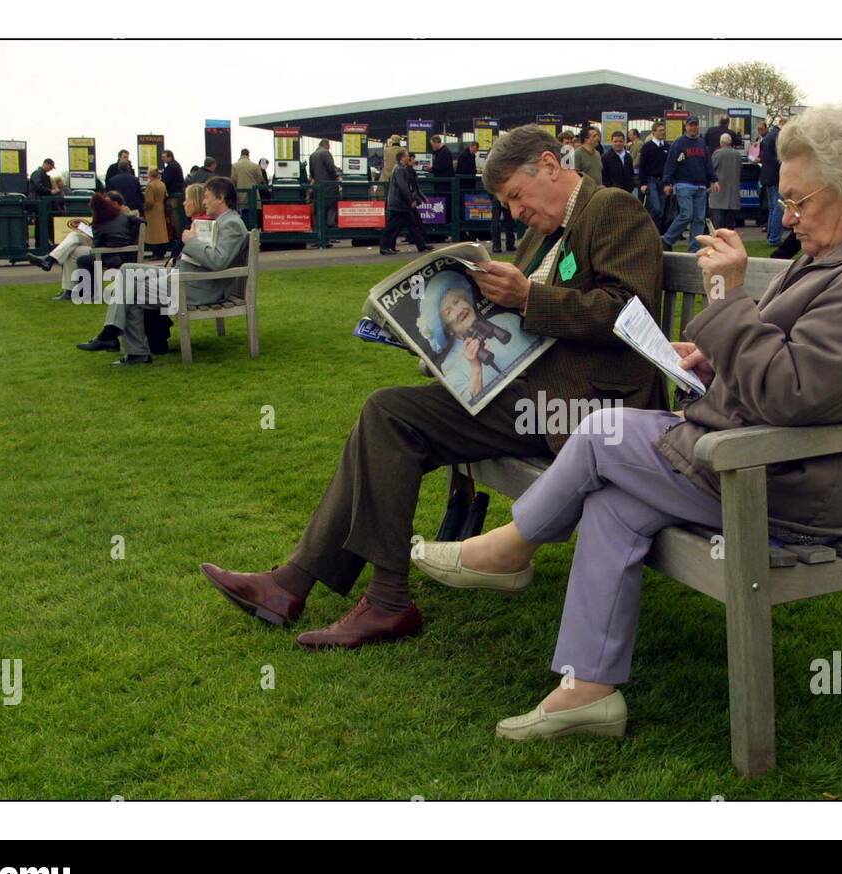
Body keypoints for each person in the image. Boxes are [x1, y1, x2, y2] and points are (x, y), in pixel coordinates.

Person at [409, 107, 842, 740]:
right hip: (758, 455)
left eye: (798, 201)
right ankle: (587, 690)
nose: (787, 216)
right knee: (616, 501)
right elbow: (797, 364)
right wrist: (716, 351)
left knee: (601, 433)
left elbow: (793, 392)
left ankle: (509, 548)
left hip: (793, 486)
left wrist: (726, 301)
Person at [199, 124, 668, 653]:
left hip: (589, 409)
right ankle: (303, 587)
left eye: (515, 195)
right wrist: (445, 348)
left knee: (390, 417)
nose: (515, 212)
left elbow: (632, 315)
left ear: (551, 166)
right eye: (506, 202)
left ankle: (367, 598)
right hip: (528, 392)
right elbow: (516, 320)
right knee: (389, 414)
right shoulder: (547, 229)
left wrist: (527, 300)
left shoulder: (611, 209)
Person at [77, 176, 248, 364]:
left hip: (197, 286)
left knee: (130, 291)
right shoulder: (223, 221)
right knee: (127, 270)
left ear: (221, 197)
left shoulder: (231, 224)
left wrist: (191, 241)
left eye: (207, 196)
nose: (204, 201)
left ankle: (128, 347)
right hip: (187, 277)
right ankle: (114, 335)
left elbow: (218, 261)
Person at [416, 271, 526, 402]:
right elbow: (473, 404)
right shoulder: (450, 365)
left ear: (466, 300)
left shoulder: (506, 320)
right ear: (447, 329)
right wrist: (475, 368)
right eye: (448, 312)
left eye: (456, 301)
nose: (459, 311)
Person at [661, 116, 720, 252]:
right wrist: (667, 182)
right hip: (684, 184)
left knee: (699, 218)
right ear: (686, 126)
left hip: (700, 186)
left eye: (695, 125)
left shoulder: (701, 143)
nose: (693, 128)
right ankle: (667, 239)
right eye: (691, 125)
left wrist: (714, 180)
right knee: (686, 214)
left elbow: (708, 164)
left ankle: (694, 248)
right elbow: (671, 163)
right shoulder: (679, 143)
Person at [379, 150, 432, 255]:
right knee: (394, 226)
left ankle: (421, 245)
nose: (409, 158)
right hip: (399, 203)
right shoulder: (399, 170)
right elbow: (403, 186)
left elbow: (408, 187)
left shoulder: (400, 168)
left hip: (400, 203)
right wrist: (411, 200)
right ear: (402, 158)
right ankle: (384, 247)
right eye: (407, 156)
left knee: (411, 224)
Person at [636, 120, 669, 227]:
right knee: (656, 208)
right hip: (651, 180)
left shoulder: (667, 147)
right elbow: (642, 165)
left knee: (662, 209)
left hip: (663, 180)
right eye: (660, 130)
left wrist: (669, 183)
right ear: (653, 132)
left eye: (663, 130)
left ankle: (655, 231)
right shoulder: (647, 147)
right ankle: (646, 225)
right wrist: (643, 183)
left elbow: (669, 166)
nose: (662, 132)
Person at [708, 132, 742, 229]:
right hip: (733, 196)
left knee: (718, 225)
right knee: (729, 225)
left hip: (719, 195)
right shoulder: (737, 154)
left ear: (721, 142)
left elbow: (711, 170)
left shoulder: (717, 153)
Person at [759, 116, 784, 246]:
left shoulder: (768, 137)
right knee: (778, 208)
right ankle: (774, 238)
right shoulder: (779, 137)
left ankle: (770, 236)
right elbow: (780, 159)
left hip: (766, 176)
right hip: (776, 177)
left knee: (772, 208)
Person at [308, 139, 341, 233]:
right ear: (325, 144)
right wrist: (337, 176)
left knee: (318, 210)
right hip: (329, 186)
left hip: (318, 187)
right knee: (331, 206)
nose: (330, 147)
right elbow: (331, 167)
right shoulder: (326, 153)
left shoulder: (312, 155)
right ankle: (330, 230)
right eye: (329, 145)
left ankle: (318, 234)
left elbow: (311, 172)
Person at [141, 167, 171, 259]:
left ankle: (156, 253)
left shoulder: (150, 185)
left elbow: (149, 201)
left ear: (150, 175)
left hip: (152, 211)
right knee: (161, 231)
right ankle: (162, 252)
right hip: (161, 208)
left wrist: (144, 208)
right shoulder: (162, 184)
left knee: (153, 233)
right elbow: (166, 195)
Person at [160, 150, 186, 239]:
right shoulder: (176, 165)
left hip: (174, 195)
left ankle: (176, 237)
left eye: (164, 157)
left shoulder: (170, 167)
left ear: (170, 157)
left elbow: (166, 181)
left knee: (174, 217)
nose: (162, 159)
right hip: (179, 194)